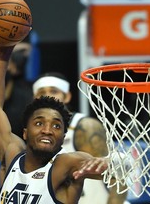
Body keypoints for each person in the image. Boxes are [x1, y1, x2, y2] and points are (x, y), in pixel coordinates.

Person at [0, 45, 112, 204]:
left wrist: (116, 161)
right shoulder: (11, 153)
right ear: (25, 132)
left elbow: (118, 171)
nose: (47, 130)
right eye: (39, 123)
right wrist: (4, 49)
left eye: (56, 126)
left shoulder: (67, 164)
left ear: (63, 137)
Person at [32, 72, 129, 204]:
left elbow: (118, 176)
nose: (47, 96)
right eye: (41, 92)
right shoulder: (33, 133)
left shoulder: (85, 127)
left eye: (54, 91)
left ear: (67, 96)